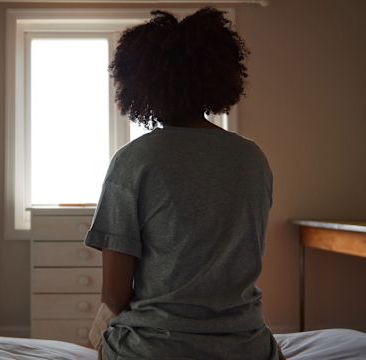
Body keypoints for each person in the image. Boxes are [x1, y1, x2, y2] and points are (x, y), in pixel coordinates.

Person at [84, 8, 284, 360]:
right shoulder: (253, 159)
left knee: (95, 335)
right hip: (247, 348)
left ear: (139, 85)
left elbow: (114, 296)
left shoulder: (133, 161)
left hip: (154, 349)